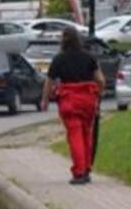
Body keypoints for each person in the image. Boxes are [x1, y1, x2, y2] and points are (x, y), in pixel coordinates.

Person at [39, 28, 106, 185]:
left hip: (69, 100)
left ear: (63, 41)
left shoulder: (59, 59)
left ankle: (79, 172)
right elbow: (101, 80)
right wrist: (98, 96)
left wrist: (45, 100)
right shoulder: (89, 57)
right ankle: (87, 168)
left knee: (74, 135)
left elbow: (49, 82)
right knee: (86, 134)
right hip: (88, 100)